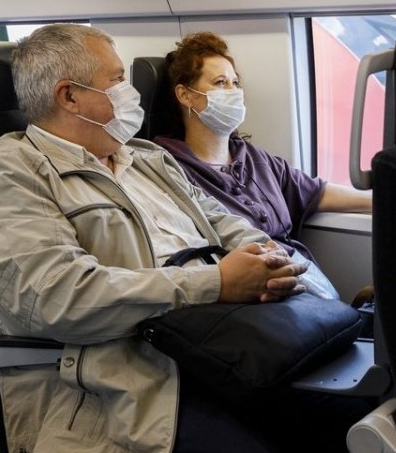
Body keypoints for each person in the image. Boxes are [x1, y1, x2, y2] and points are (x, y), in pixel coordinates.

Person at [0, 24, 379, 453]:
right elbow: (55, 297)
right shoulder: (9, 172)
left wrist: (268, 259)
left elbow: (226, 223)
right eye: (116, 80)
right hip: (106, 374)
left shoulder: (148, 159)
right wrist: (216, 283)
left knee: (341, 424)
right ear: (70, 96)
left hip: (207, 346)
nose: (132, 92)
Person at [150, 32, 371, 279]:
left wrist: (382, 200)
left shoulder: (253, 158)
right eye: (220, 83)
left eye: (235, 83)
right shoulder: (169, 169)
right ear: (185, 95)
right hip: (252, 286)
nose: (233, 92)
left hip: (301, 271)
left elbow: (315, 192)